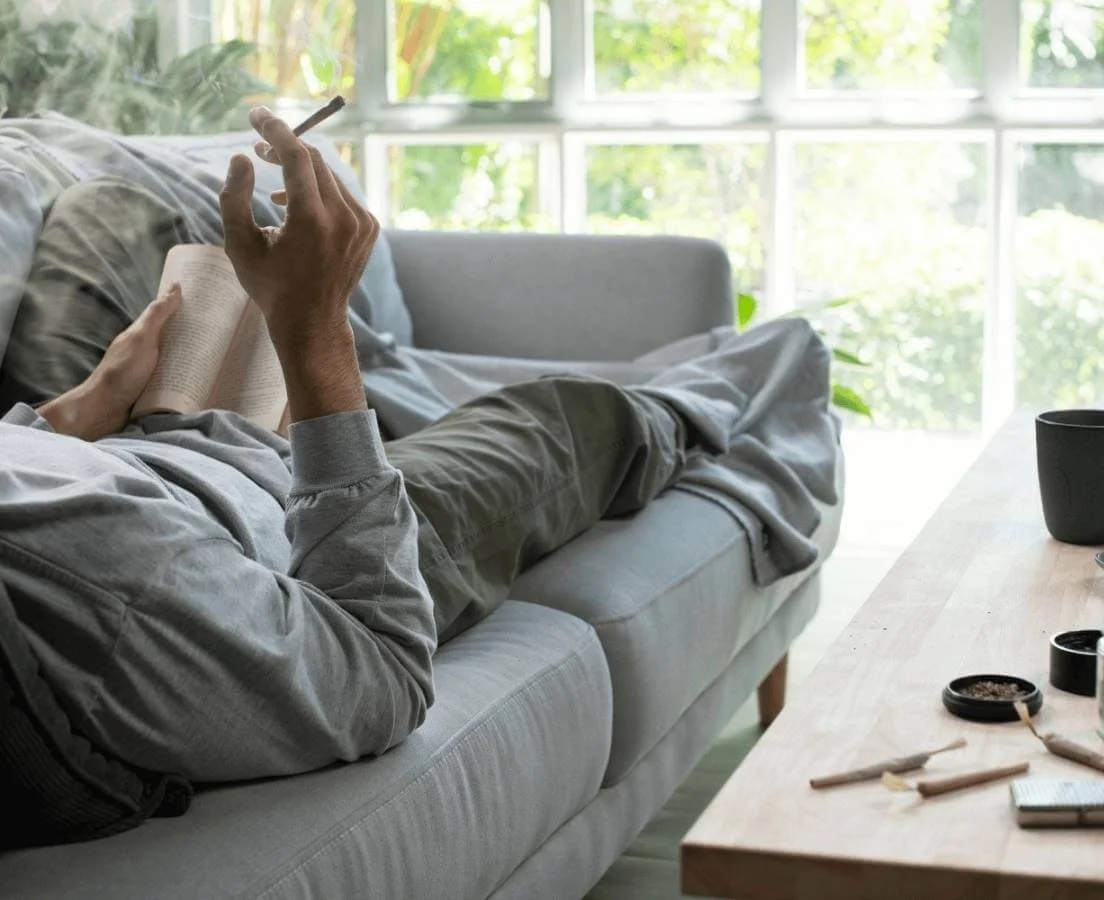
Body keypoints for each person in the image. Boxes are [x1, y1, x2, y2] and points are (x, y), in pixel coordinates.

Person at [0, 107, 691, 783]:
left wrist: (77, 409)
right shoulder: (116, 590)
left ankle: (333, 371)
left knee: (108, 209)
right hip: (288, 512)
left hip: (102, 440)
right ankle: (714, 401)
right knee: (570, 413)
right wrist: (316, 334)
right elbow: (384, 670)